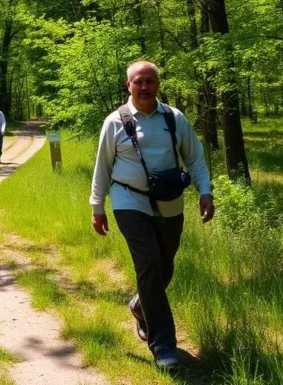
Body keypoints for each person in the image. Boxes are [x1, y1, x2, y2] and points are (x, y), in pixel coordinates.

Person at [89, 60, 215, 370]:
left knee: (165, 266)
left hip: (170, 202)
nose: (144, 87)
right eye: (138, 82)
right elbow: (102, 167)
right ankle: (164, 347)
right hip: (127, 199)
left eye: (150, 81)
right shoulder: (115, 122)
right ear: (128, 86)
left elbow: (195, 158)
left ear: (158, 84)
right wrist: (97, 206)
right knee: (148, 264)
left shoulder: (174, 119)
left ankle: (140, 305)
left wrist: (205, 191)